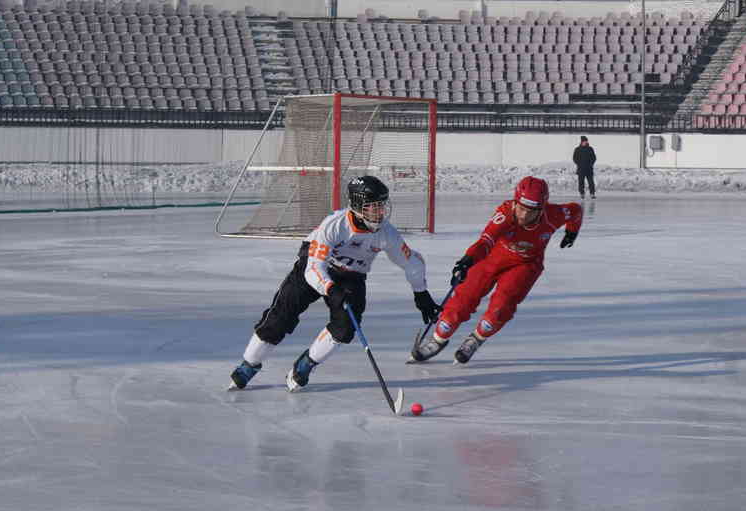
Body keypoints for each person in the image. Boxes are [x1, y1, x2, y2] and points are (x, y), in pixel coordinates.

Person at [229, 175, 441, 391]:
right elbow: (314, 268)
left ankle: (305, 365)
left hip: (353, 275)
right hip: (315, 266)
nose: (380, 213)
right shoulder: (334, 225)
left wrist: (421, 293)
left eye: (382, 206)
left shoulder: (386, 233)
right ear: (358, 207)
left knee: (346, 328)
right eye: (373, 207)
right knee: (281, 317)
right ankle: (249, 365)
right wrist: (331, 289)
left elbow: (413, 262)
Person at [411, 176, 583, 364]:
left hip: (525, 265)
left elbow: (576, 211)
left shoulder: (554, 214)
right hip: (491, 259)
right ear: (516, 202)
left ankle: (476, 339)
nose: (524, 216)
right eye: (521, 208)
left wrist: (572, 232)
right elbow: (486, 241)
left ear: (541, 209)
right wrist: (467, 260)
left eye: (531, 211)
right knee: (463, 299)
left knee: (501, 308)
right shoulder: (505, 215)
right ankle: (438, 339)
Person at [572, 135, 597, 199]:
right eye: (584, 141)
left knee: (591, 182)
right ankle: (582, 193)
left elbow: (594, 158)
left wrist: (591, 164)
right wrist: (579, 164)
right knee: (581, 182)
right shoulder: (577, 149)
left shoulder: (590, 149)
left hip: (589, 169)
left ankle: (592, 193)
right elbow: (574, 158)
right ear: (581, 142)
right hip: (581, 169)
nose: (585, 142)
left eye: (586, 141)